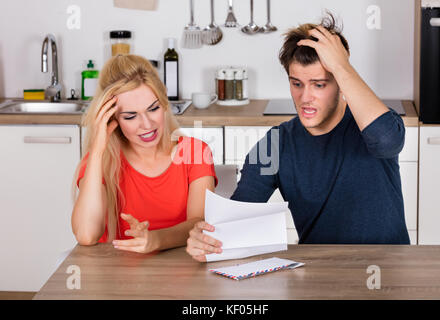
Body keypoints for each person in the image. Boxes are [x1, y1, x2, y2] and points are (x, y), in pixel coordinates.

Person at [186, 14, 410, 262]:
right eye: (297, 83)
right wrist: (207, 240)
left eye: (319, 84)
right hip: (320, 275)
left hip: (386, 270)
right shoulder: (276, 143)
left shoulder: (370, 123)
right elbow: (240, 218)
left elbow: (388, 141)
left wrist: (342, 66)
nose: (305, 98)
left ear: (341, 83)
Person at [72, 54, 217, 254]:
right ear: (112, 119)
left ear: (164, 103)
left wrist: (156, 239)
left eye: (153, 109)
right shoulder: (100, 161)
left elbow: (198, 223)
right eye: (130, 116)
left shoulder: (196, 152)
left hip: (183, 272)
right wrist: (97, 151)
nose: (147, 125)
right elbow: (86, 235)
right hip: (117, 277)